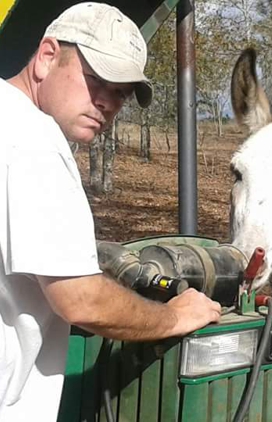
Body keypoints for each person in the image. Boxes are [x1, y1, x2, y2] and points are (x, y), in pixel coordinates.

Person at [0, 3, 222, 421]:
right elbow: (80, 299)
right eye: (96, 79)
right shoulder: (33, 140)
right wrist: (173, 316)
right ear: (47, 56)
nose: (108, 102)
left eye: (121, 93)